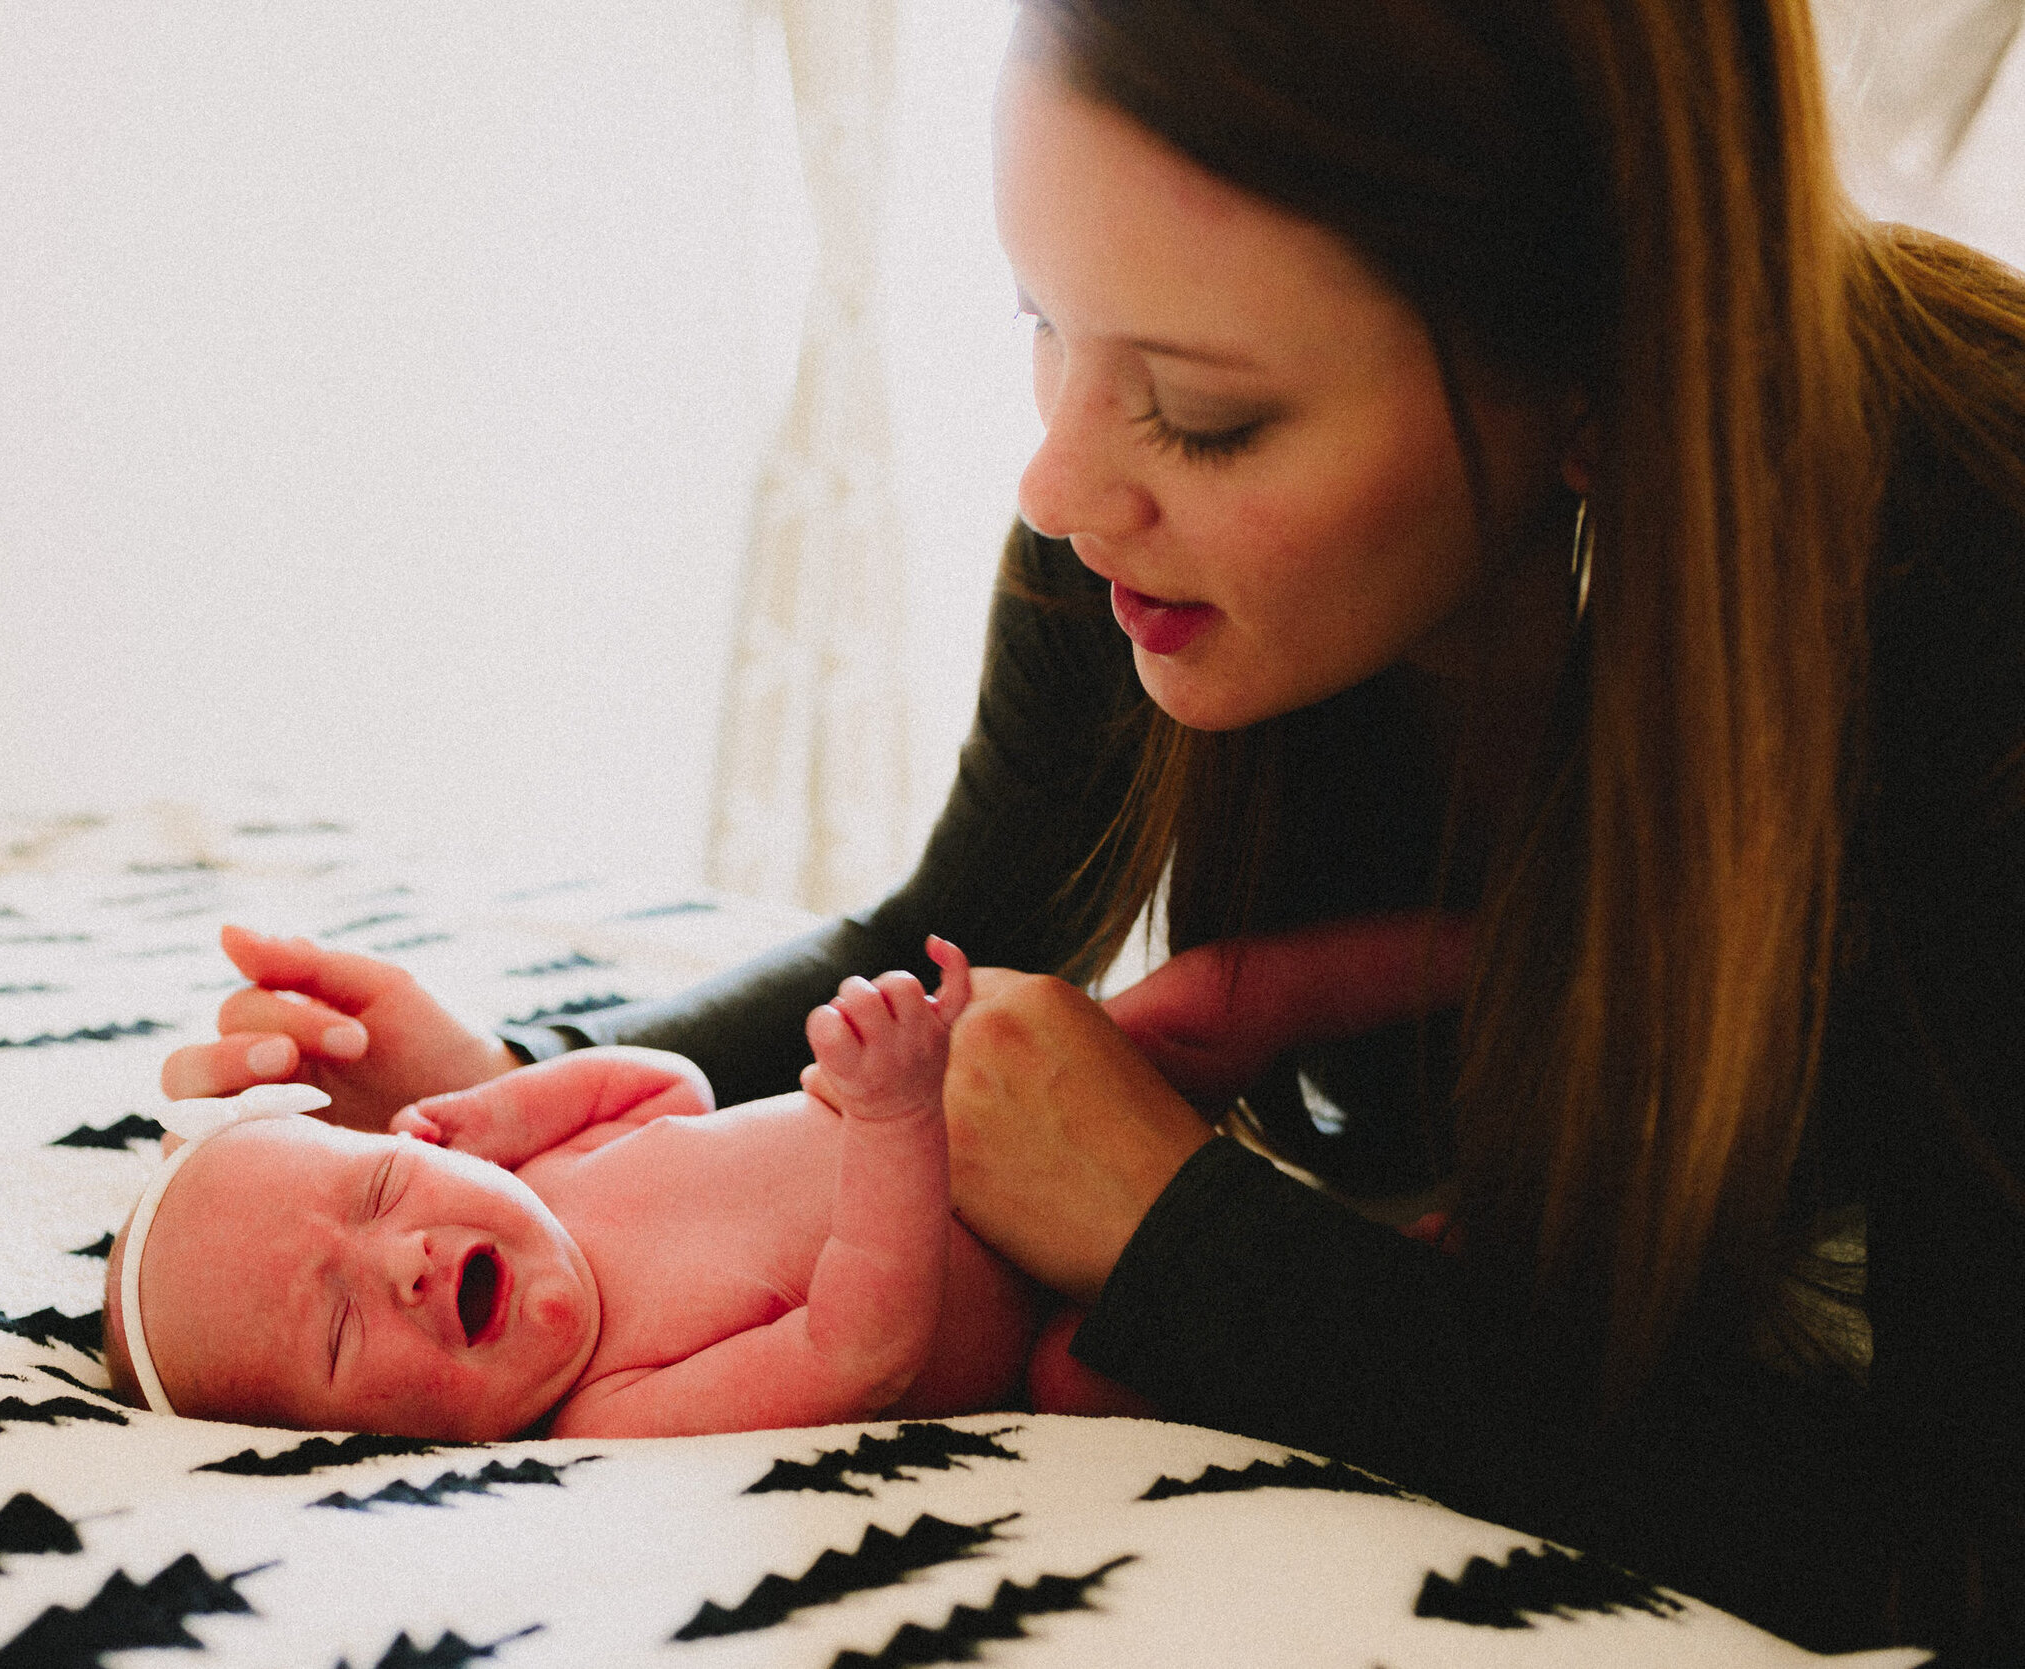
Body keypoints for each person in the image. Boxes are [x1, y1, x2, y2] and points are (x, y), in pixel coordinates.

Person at [161, 1, 2025, 1656]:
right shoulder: (1112, 533)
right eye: (1042, 322)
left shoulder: (1968, 578)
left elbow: (1954, 1549)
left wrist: (1177, 1230)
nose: (1055, 484)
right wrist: (522, 1108)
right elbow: (951, 926)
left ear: (1594, 386)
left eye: (1203, 414)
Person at [107, 936, 1048, 1439]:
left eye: (384, 1186)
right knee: (1086, 1370)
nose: (407, 1261)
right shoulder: (616, 1407)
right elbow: (856, 1348)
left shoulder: (547, 1177)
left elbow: (673, 1088)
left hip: (966, 1118)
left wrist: (507, 1105)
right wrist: (892, 1121)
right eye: (342, 1327)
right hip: (1034, 1286)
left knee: (1139, 1015)